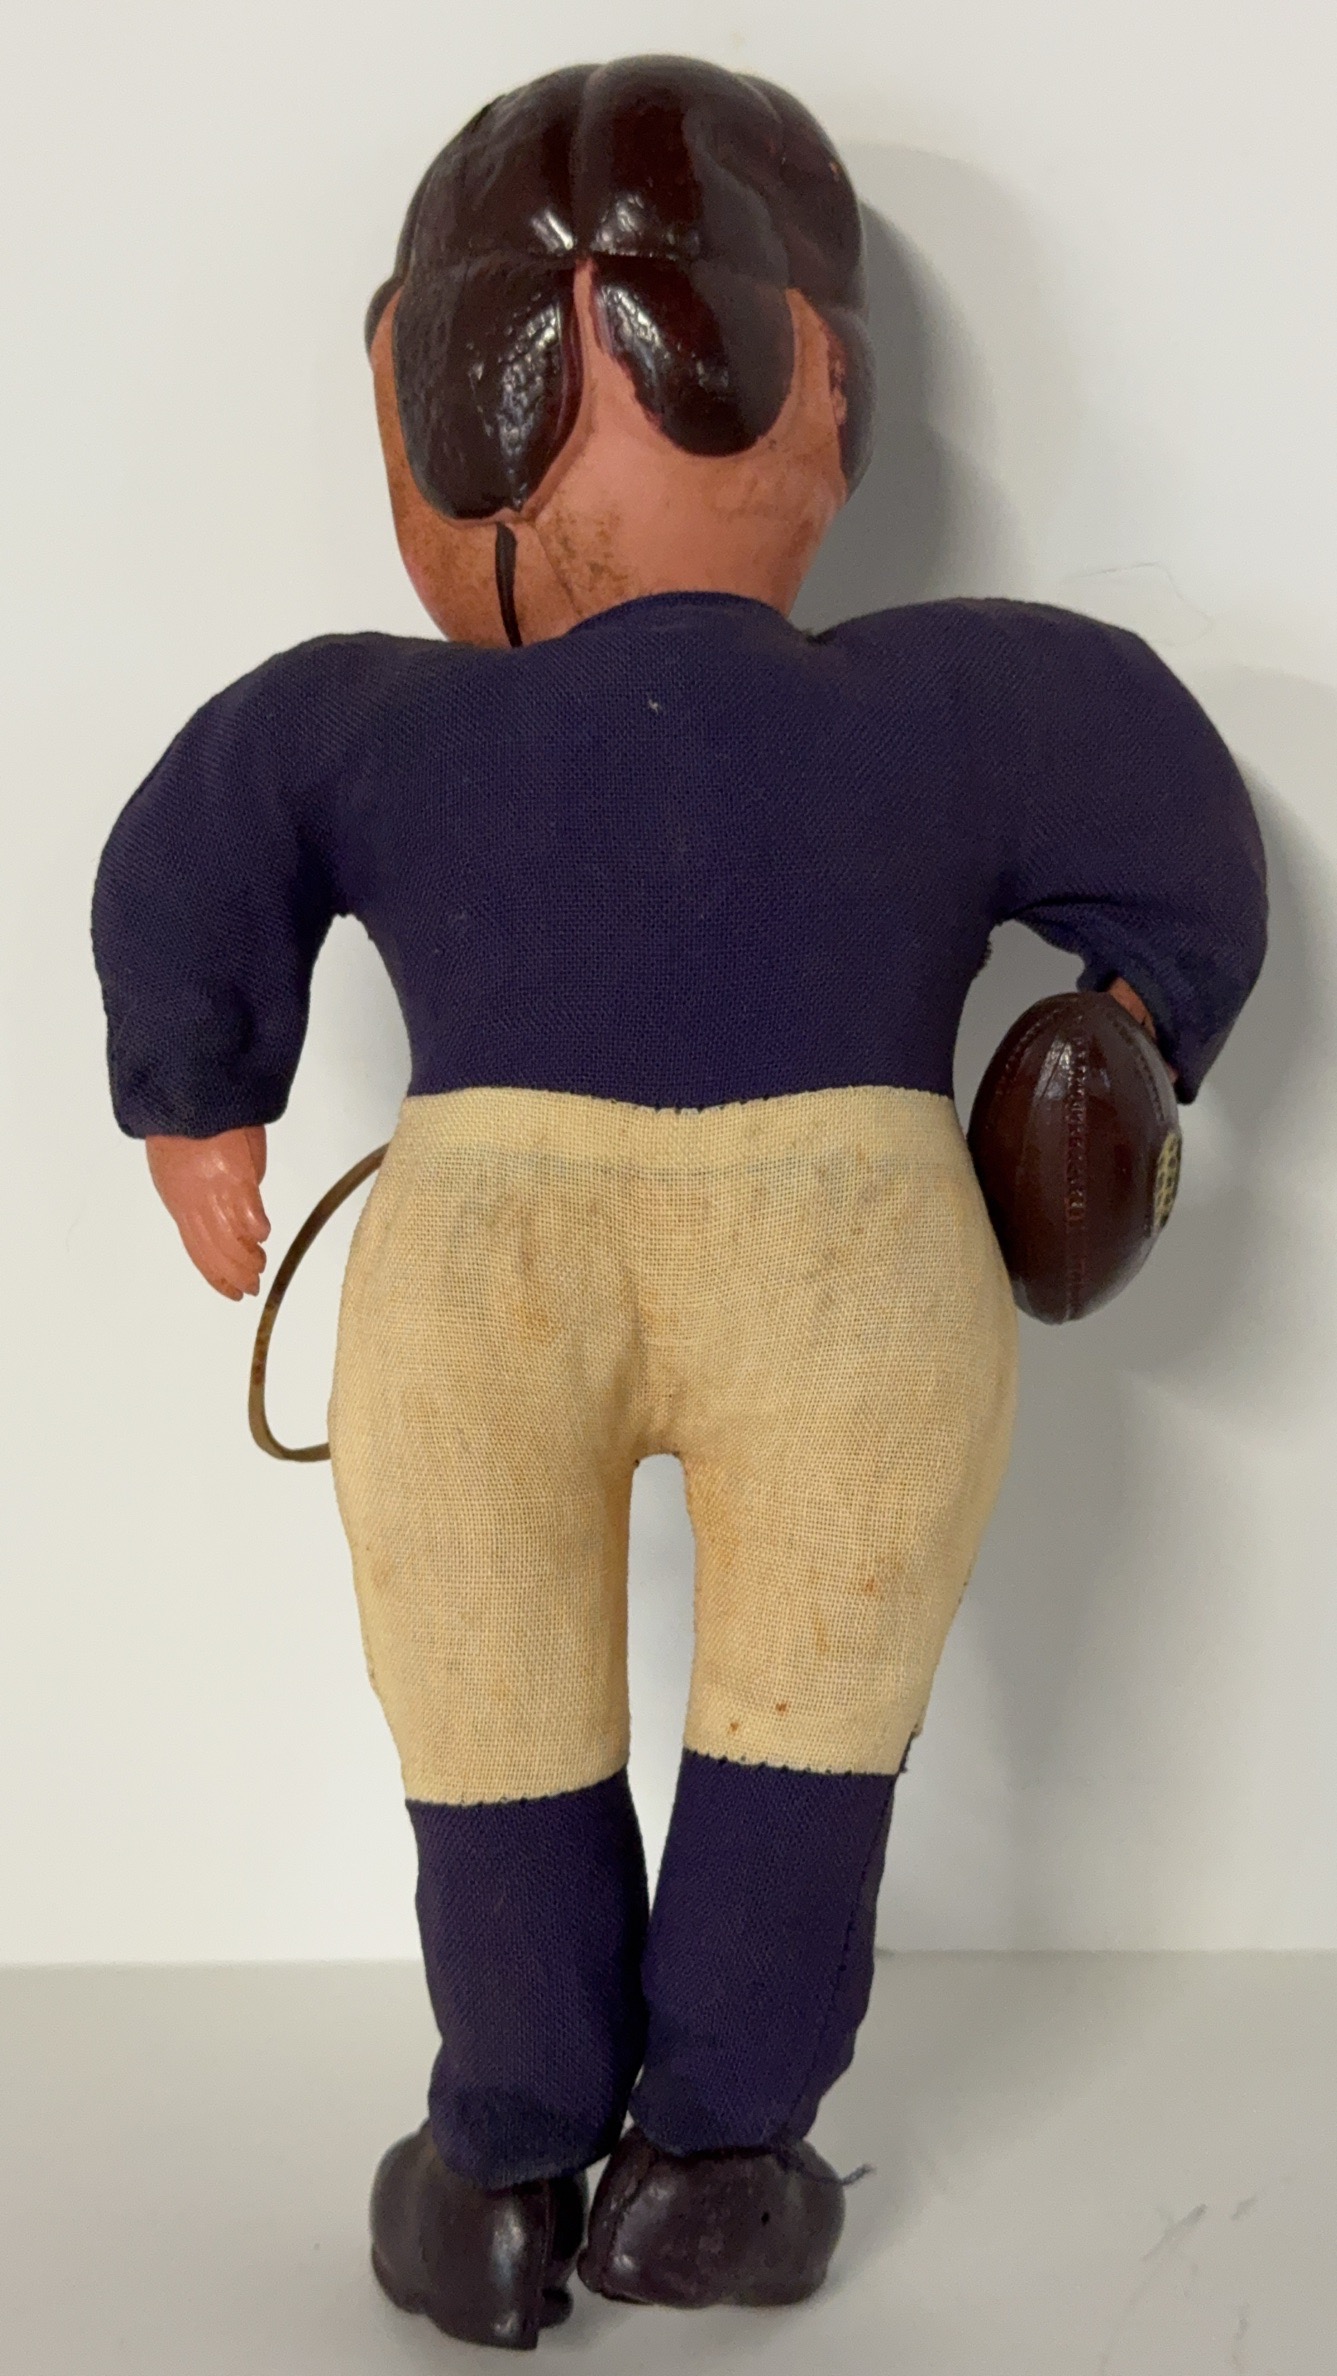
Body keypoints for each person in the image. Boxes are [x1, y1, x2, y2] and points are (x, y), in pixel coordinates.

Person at [92, 54, 1267, 2354]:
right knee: (769, 1711)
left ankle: (523, 2150)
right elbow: (1166, 803)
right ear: (822, 380)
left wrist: (197, 1098)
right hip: (842, 1272)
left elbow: (199, 831)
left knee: (506, 1702)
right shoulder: (942, 697)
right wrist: (1126, 1034)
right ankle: (697, 2154)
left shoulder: (374, 718)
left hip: (499, 1268)